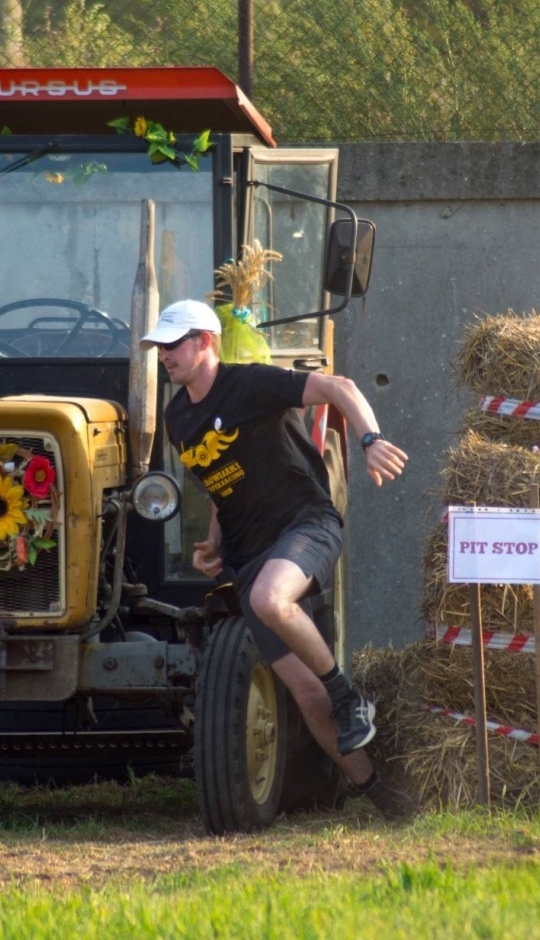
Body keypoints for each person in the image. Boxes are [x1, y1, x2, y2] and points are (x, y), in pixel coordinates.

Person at [141, 299, 414, 820]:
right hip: (246, 555)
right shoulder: (178, 419)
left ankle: (349, 697)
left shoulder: (249, 384)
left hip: (305, 524)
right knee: (306, 698)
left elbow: (341, 388)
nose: (165, 356)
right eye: (160, 347)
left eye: (173, 344)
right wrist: (213, 542)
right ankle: (383, 798)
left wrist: (370, 439)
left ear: (206, 342)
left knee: (271, 599)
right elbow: (223, 486)